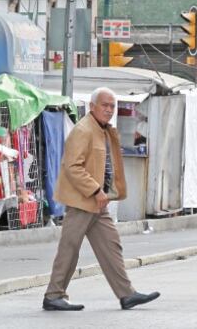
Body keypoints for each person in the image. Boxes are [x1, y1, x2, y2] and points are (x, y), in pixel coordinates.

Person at [42, 87, 160, 312]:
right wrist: (96, 190)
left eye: (112, 106)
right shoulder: (83, 129)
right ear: (92, 106)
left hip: (98, 203)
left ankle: (127, 294)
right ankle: (54, 295)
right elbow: (72, 167)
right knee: (69, 248)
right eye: (104, 105)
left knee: (111, 245)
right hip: (82, 201)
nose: (109, 110)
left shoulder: (103, 130)